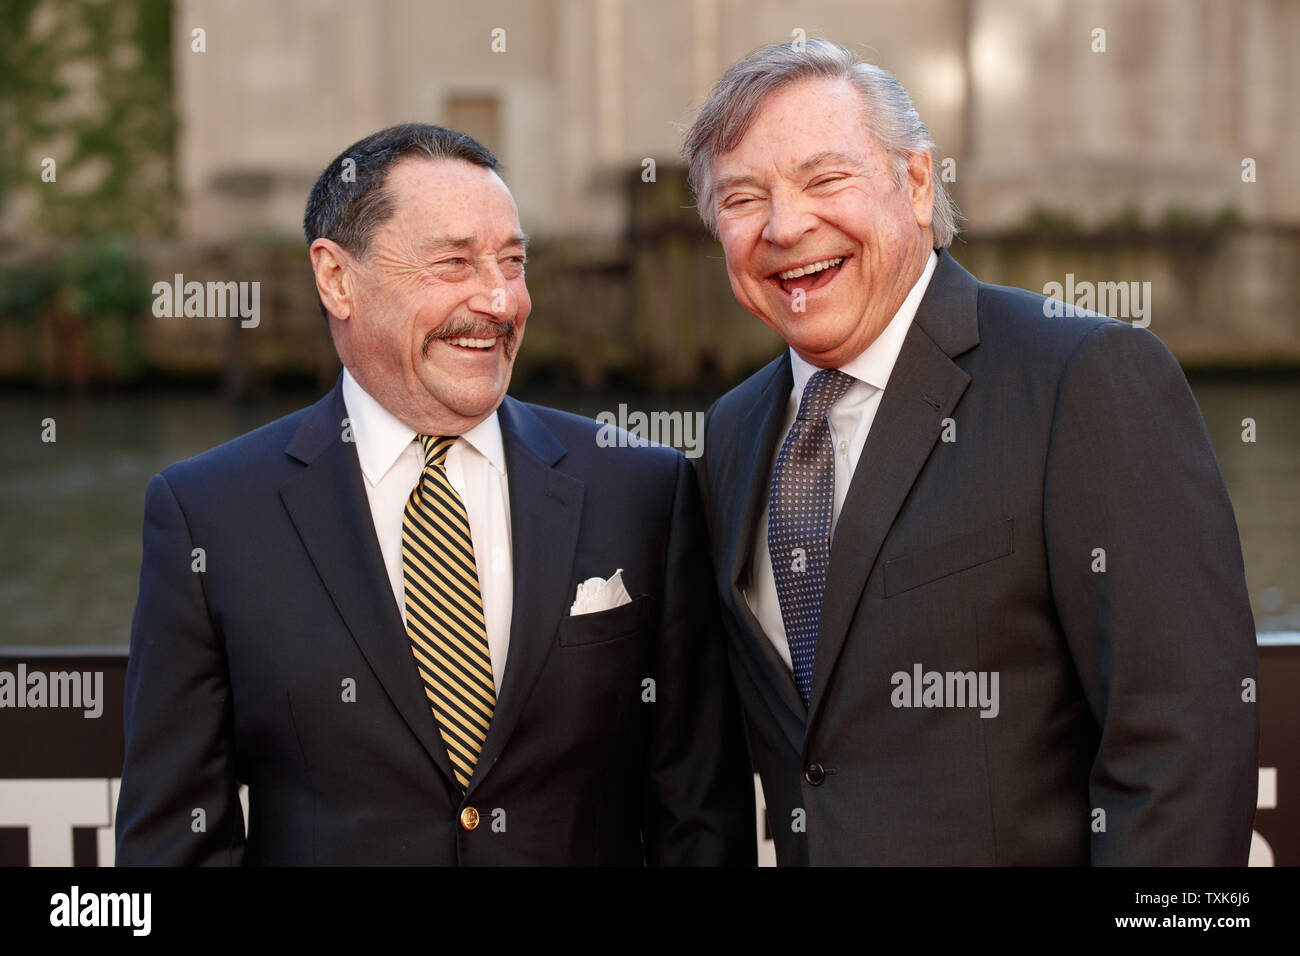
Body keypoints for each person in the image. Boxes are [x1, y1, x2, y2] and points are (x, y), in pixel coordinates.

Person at [115, 123, 755, 866]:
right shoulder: (209, 517)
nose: (498, 299)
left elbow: (701, 822)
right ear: (336, 278)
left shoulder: (643, 489)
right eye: (453, 262)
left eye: (513, 262)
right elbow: (174, 843)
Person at [685, 39, 1259, 865]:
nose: (784, 226)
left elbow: (1184, 740)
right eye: (743, 198)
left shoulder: (1081, 376)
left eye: (824, 179)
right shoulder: (734, 431)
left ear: (916, 184)